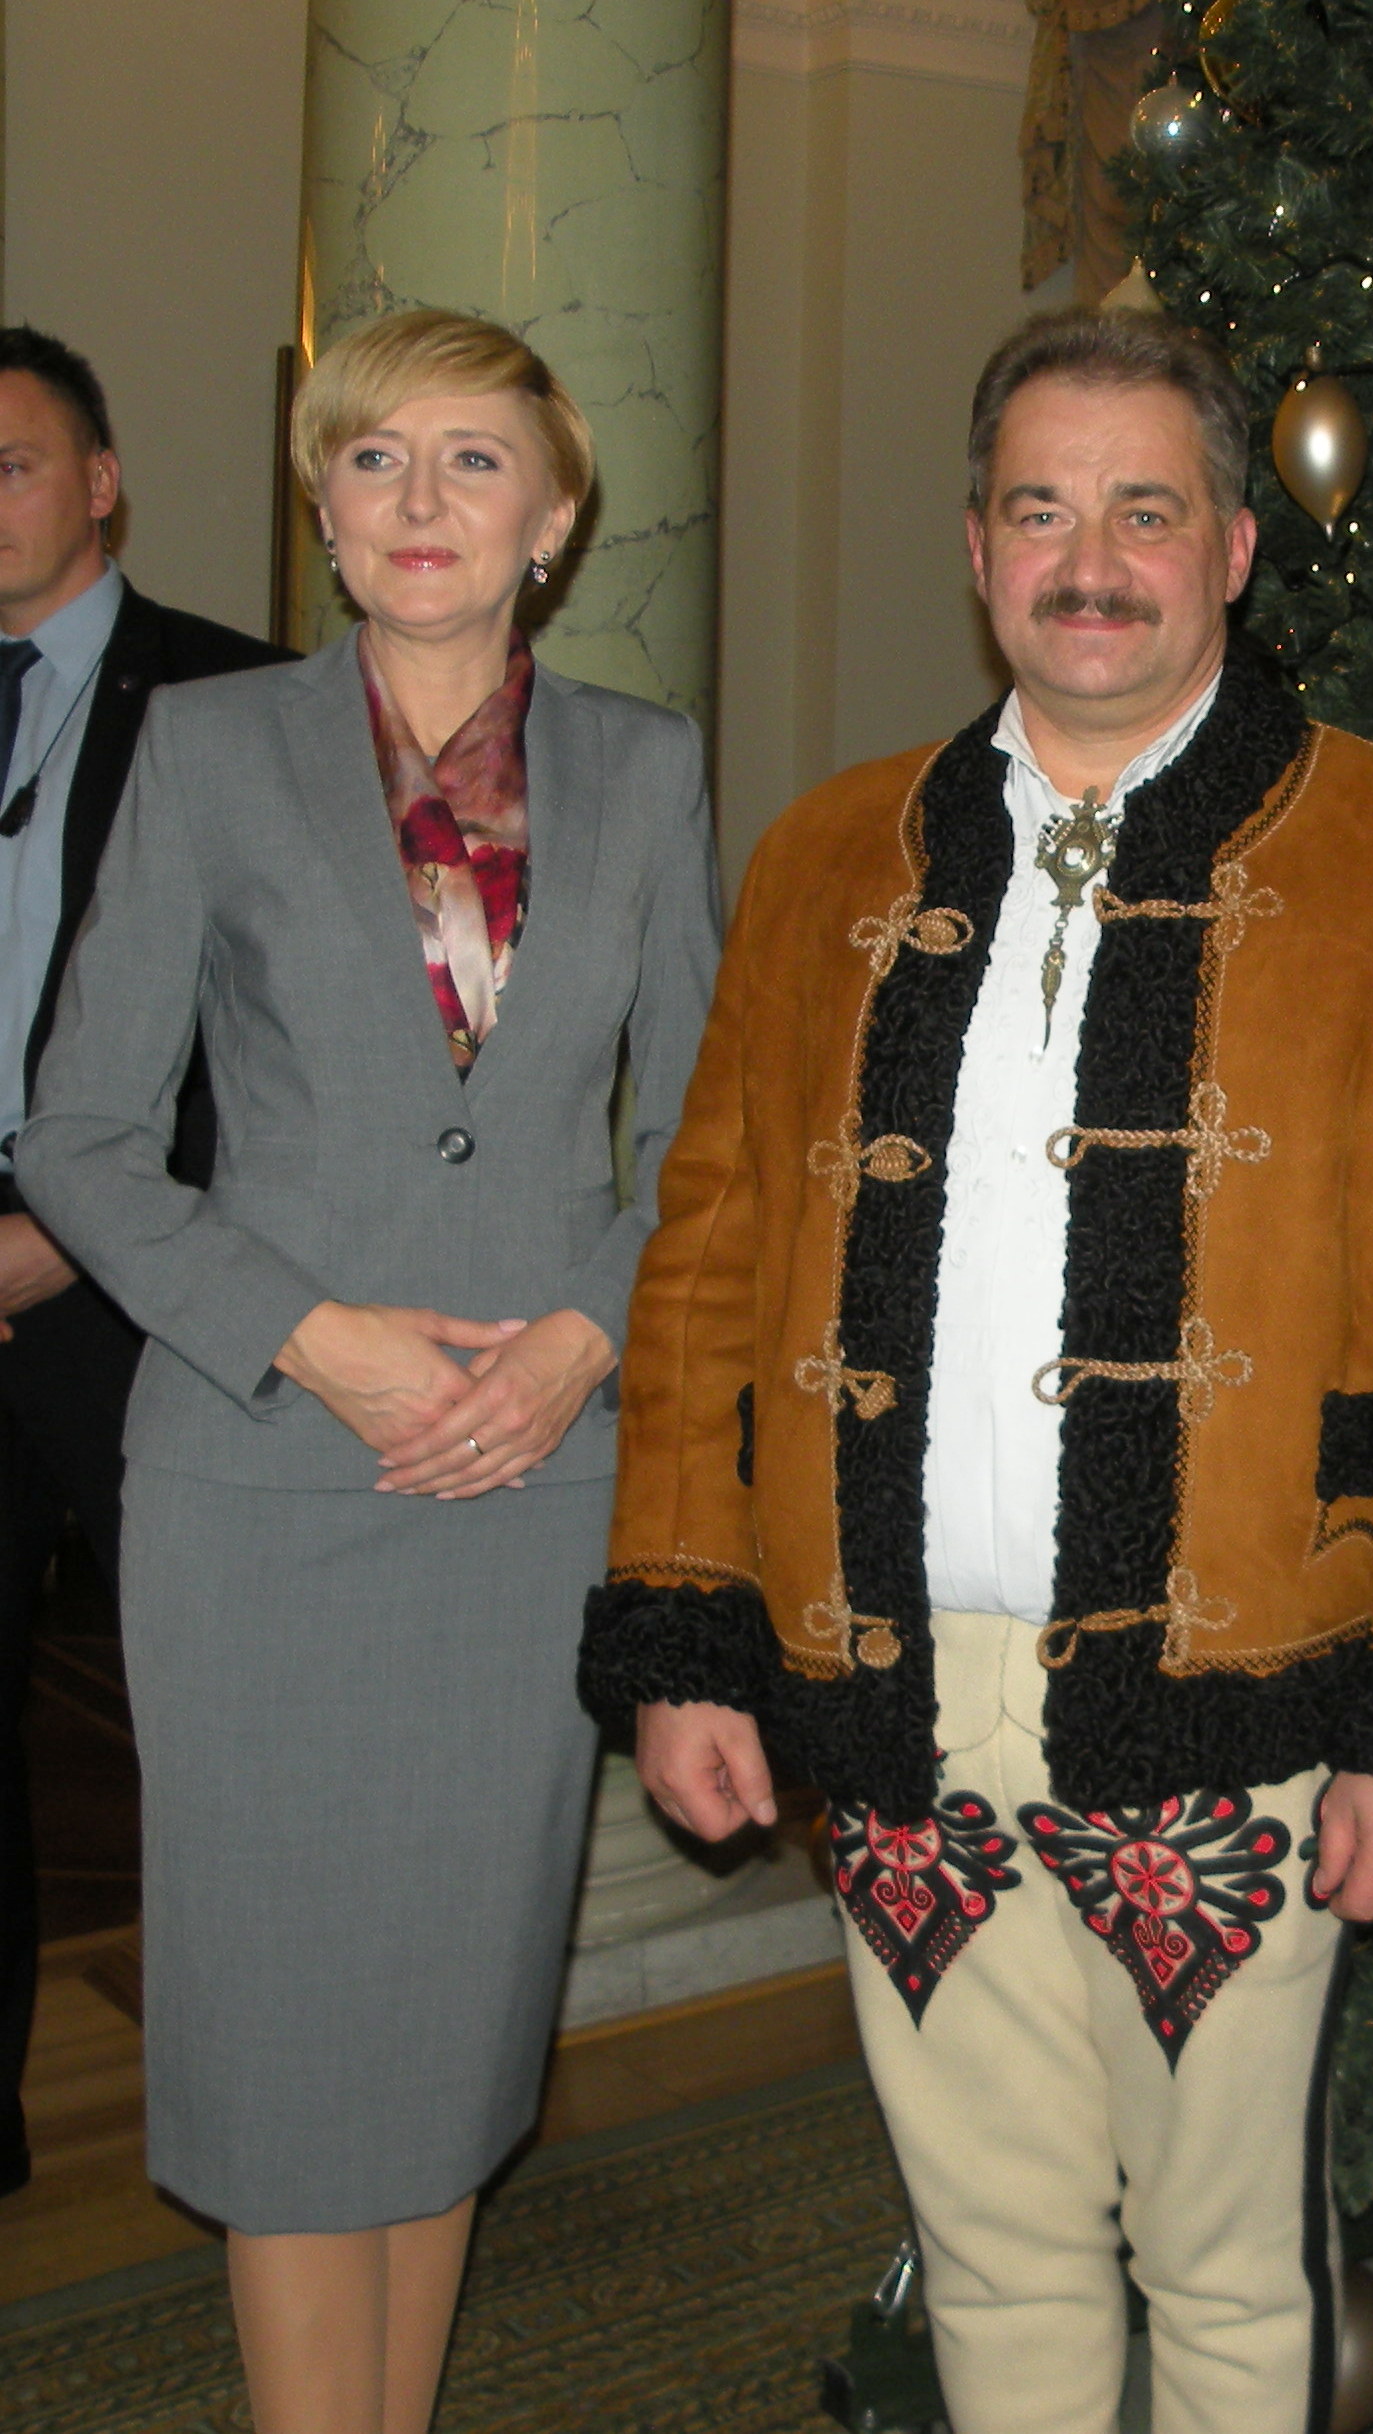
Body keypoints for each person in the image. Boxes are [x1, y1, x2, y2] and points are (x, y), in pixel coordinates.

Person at [577, 308, 1373, 2434]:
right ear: (976, 548)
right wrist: (684, 1632)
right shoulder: (831, 853)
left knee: (1225, 2265)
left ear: (1233, 548)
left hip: (1246, 1685)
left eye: (1145, 509)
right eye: (1041, 510)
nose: (1091, 560)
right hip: (894, 1679)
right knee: (993, 2248)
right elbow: (708, 1266)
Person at [19, 308, 720, 2433]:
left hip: (528, 1488)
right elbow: (82, 1138)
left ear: (555, 516)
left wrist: (587, 1334)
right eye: (374, 457)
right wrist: (310, 1334)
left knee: (443, 2043)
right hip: (262, 1486)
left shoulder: (650, 767)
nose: (422, 500)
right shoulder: (209, 748)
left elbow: (713, 1141)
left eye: (474, 460)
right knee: (285, 2050)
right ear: (322, 508)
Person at [0, 324, 285, 2199]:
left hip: (143, 1300)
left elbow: (281, 1056)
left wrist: (69, 1232)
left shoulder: (237, 702)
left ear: (99, 482)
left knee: (216, 1729)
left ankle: (270, 2113)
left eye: (11, 461)